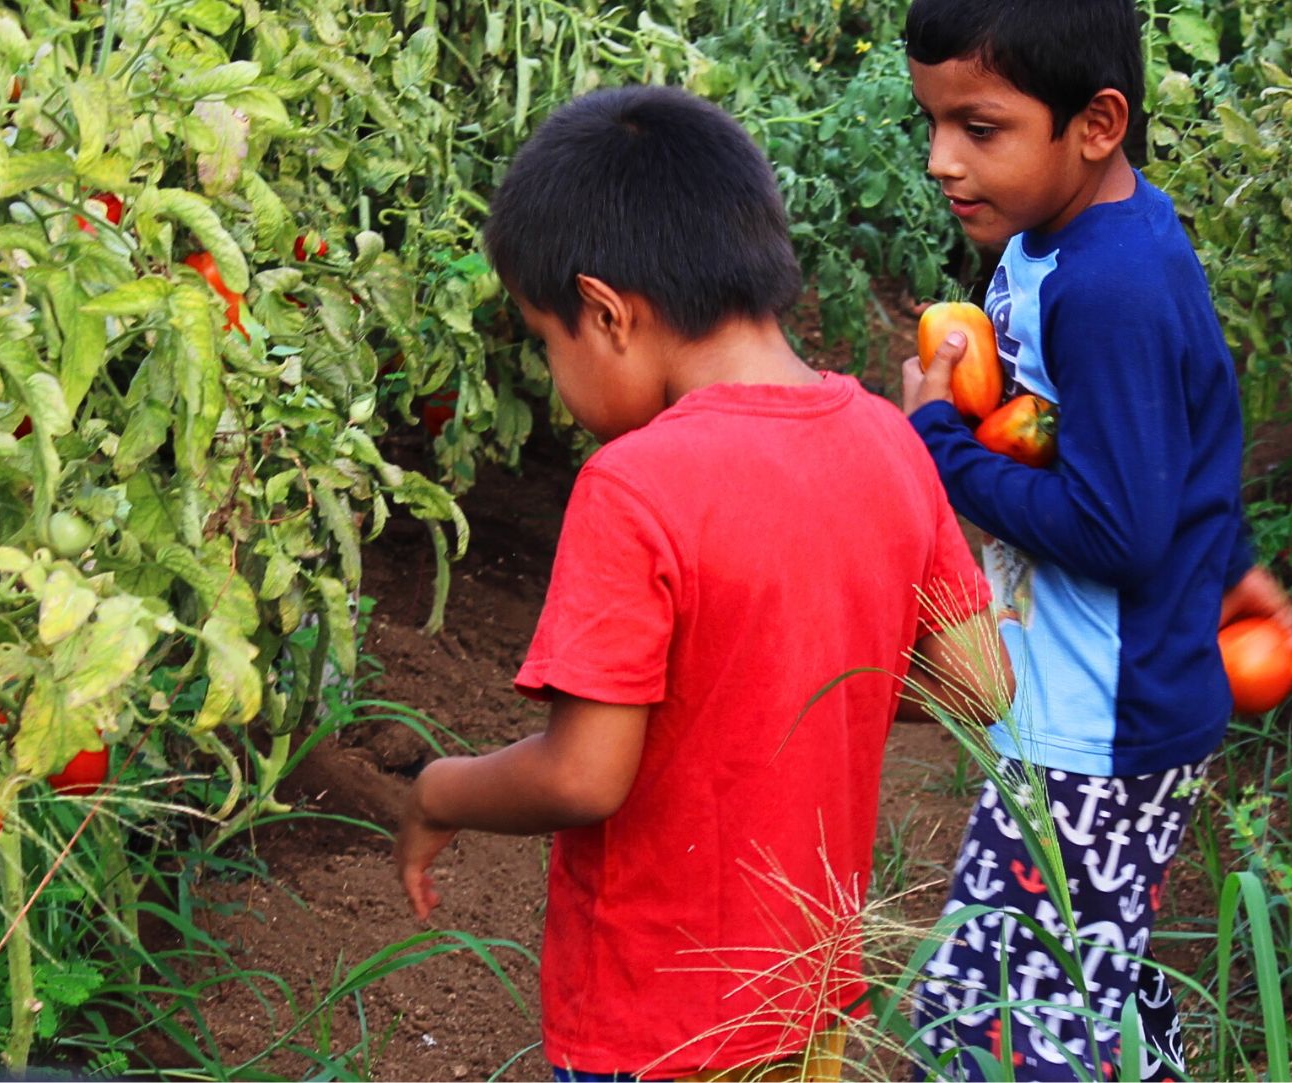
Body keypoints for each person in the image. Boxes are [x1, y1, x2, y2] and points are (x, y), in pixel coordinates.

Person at [391, 85, 1010, 1082]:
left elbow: (582, 776)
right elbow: (979, 685)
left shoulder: (635, 484)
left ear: (603, 311)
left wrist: (439, 791)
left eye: (546, 342)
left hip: (654, 1028)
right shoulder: (886, 446)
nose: (556, 375)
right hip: (809, 1002)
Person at [894, 1, 1292, 1080]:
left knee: (984, 1026)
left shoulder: (1107, 287)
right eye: (931, 123)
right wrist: (1228, 564)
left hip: (1096, 727)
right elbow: (1190, 427)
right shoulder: (1069, 239)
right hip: (1087, 705)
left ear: (1095, 122)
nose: (942, 160)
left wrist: (939, 442)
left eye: (978, 129)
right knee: (1087, 977)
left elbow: (1116, 530)